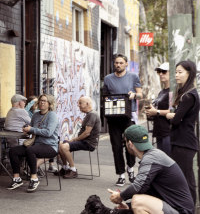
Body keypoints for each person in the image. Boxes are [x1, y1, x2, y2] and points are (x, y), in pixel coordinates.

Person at [108, 125, 194, 214]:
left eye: (125, 142)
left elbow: (138, 186)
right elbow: (147, 190)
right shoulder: (154, 155)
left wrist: (120, 197)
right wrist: (127, 205)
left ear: (129, 143)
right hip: (178, 213)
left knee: (137, 201)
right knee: (134, 204)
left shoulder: (151, 158)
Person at [166, 60, 200, 214]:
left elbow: (177, 119)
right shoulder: (188, 93)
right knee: (186, 181)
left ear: (189, 73)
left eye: (180, 72)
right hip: (183, 142)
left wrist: (170, 116)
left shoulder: (188, 95)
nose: (177, 75)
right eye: (176, 72)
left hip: (183, 143)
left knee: (186, 182)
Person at [102, 53, 142, 186]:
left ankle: (130, 169)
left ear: (126, 64)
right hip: (113, 117)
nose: (118, 65)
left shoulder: (133, 77)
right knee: (116, 146)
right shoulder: (108, 79)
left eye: (120, 63)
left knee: (130, 145)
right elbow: (105, 95)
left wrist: (134, 94)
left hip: (128, 116)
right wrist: (106, 99)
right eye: (116, 63)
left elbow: (140, 94)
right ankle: (120, 175)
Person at [7, 94, 59, 193]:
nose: (42, 102)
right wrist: (27, 129)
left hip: (50, 146)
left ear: (49, 103)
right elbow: (32, 128)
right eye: (40, 100)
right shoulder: (35, 115)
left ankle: (34, 178)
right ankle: (17, 179)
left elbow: (48, 132)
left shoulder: (52, 115)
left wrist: (32, 129)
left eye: (44, 101)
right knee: (13, 151)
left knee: (30, 150)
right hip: (36, 145)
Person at [57, 96, 101, 179]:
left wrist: (74, 139)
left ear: (87, 104)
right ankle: (65, 168)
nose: (78, 105)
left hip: (88, 143)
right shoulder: (89, 114)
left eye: (80, 103)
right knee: (60, 144)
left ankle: (73, 170)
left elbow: (87, 133)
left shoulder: (92, 114)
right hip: (84, 141)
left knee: (64, 146)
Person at [144, 62, 172, 155]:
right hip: (159, 131)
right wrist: (151, 109)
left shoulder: (172, 91)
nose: (160, 74)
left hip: (168, 132)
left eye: (164, 72)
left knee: (168, 161)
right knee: (162, 161)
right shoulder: (162, 92)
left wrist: (156, 112)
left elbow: (172, 111)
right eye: (159, 71)